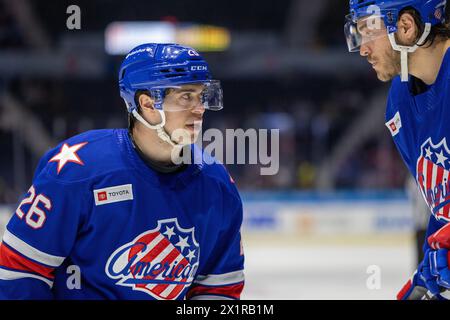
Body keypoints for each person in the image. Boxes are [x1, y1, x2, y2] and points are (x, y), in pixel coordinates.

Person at [0, 43, 245, 300]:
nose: (200, 108)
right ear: (148, 104)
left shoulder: (217, 186)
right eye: (186, 97)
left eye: (202, 95)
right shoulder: (78, 170)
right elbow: (21, 270)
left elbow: (218, 289)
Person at [345, 0, 450, 299]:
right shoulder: (399, 103)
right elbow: (442, 210)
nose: (363, 49)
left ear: (405, 27)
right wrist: (428, 268)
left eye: (368, 31)